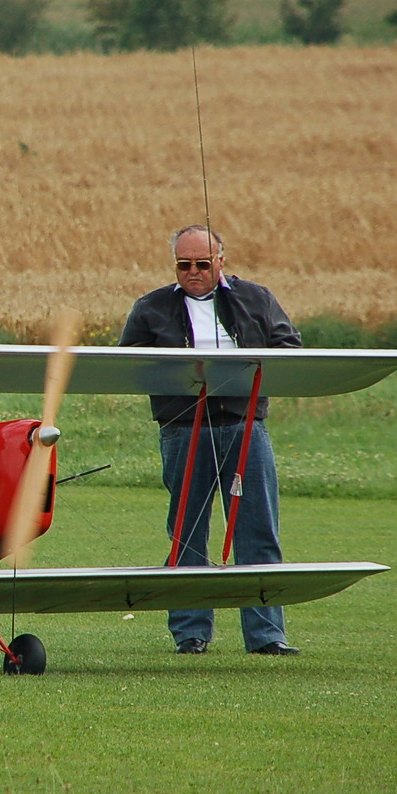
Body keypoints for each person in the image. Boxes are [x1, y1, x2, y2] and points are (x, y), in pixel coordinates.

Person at [119, 225, 303, 656]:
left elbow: (289, 347)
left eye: (203, 263)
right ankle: (190, 633)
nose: (194, 272)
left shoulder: (255, 298)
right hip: (184, 431)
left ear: (221, 261)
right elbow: (129, 363)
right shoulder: (150, 307)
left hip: (244, 428)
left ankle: (267, 636)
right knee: (187, 534)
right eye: (184, 265)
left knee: (257, 530)